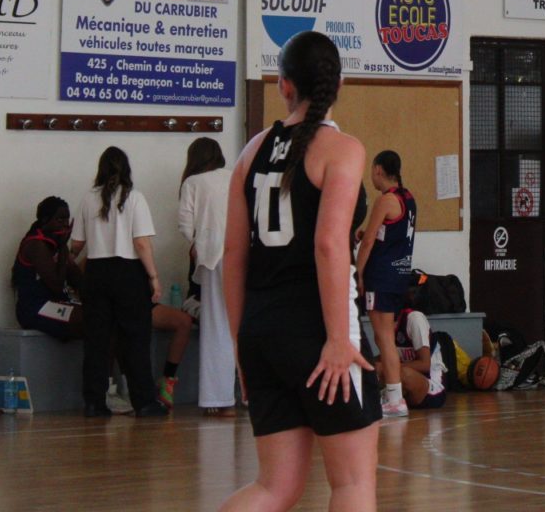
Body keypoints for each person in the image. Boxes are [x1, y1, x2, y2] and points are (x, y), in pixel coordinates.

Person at [220, 30, 379, 512]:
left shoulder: (251, 152)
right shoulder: (343, 149)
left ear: (283, 85)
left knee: (274, 488)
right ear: (339, 85)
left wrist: (241, 346)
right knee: (351, 485)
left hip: (260, 332)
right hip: (317, 332)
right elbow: (329, 245)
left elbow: (233, 255)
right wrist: (338, 339)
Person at [70, 146, 167, 419]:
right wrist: (154, 277)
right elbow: (141, 243)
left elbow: (77, 244)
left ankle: (94, 402)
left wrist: (69, 261)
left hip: (96, 272)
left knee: (96, 342)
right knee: (135, 340)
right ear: (127, 169)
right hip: (128, 273)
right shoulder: (134, 198)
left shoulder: (88, 199)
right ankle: (144, 402)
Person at [178, 135, 238, 416]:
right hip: (245, 254)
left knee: (217, 327)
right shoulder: (235, 176)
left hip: (214, 257)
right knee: (244, 326)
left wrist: (196, 244)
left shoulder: (192, 183)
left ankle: (219, 400)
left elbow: (185, 226)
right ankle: (252, 395)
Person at [354, 150, 417, 418]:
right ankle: (394, 394)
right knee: (386, 337)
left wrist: (358, 273)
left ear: (378, 169)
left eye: (372, 170)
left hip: (381, 276)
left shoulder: (385, 200)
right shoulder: (408, 198)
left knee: (384, 339)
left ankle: (394, 398)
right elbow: (389, 234)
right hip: (399, 275)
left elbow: (368, 241)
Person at [11, 196, 84, 339]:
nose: (65, 225)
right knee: (87, 319)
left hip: (56, 303)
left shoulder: (56, 244)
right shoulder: (36, 244)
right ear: (45, 220)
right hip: (35, 307)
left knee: (103, 315)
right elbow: (56, 285)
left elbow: (77, 279)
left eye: (67, 220)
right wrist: (62, 248)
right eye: (60, 220)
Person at [376, 307, 445, 410]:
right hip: (406, 388)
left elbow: (425, 365)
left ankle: (390, 399)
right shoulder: (381, 325)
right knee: (372, 366)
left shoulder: (414, 318)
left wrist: (387, 367)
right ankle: (388, 399)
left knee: (401, 372)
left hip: (431, 388)